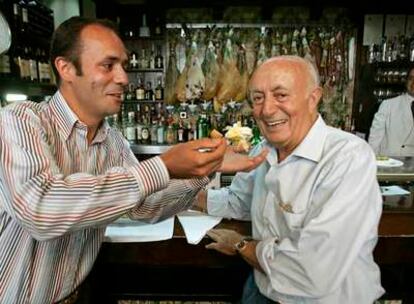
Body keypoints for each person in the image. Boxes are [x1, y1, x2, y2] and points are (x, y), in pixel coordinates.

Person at [0, 17, 267, 304]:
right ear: (66, 68)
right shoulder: (20, 121)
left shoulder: (112, 142)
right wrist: (163, 166)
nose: (123, 78)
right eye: (108, 65)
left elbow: (146, 207)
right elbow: (40, 209)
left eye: (123, 66)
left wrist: (204, 168)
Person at [195, 56, 384, 303]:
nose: (267, 109)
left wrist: (242, 245)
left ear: (313, 98)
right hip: (261, 288)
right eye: (258, 98)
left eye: (281, 95)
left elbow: (313, 271)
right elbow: (239, 201)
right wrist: (179, 195)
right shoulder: (263, 149)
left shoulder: (348, 157)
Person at [368, 66, 414, 157]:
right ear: (406, 81)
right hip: (390, 164)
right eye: (411, 79)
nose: (413, 83)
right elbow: (374, 139)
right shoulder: (388, 105)